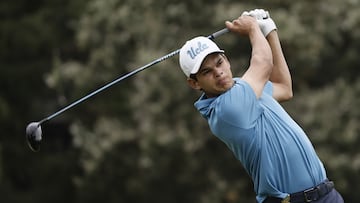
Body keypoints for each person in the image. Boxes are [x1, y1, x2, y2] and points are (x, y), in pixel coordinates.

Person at [178, 9, 344, 203]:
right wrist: (253, 29)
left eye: (219, 62)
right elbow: (263, 63)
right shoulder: (226, 109)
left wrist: (269, 31)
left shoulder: (245, 88)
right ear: (195, 83)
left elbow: (284, 87)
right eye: (207, 71)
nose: (219, 72)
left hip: (326, 195)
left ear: (227, 60)